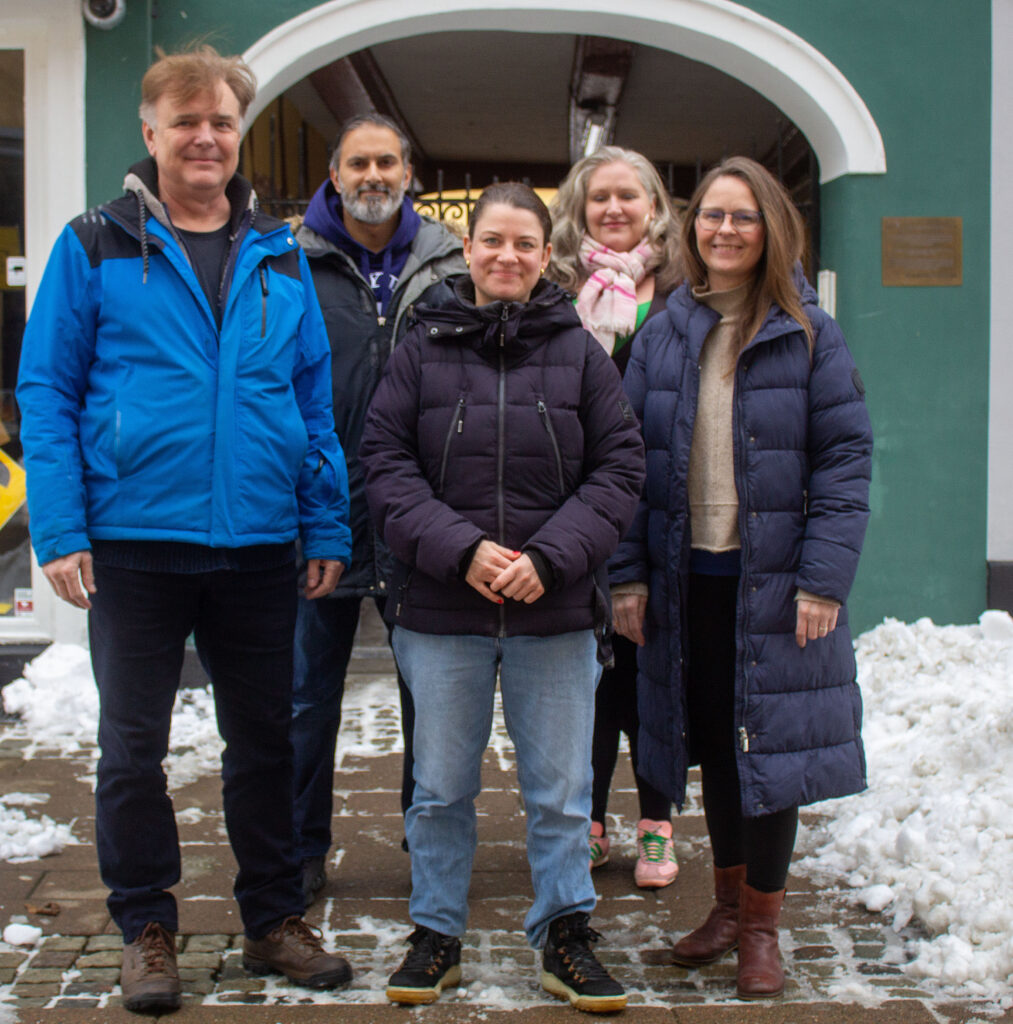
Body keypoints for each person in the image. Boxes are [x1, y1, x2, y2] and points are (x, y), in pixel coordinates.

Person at [16, 46, 354, 1014]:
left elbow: (309, 400)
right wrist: (61, 528)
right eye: (186, 121)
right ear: (151, 132)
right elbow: (46, 390)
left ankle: (273, 917)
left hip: (257, 543)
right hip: (134, 543)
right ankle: (145, 928)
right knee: (133, 749)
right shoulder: (93, 244)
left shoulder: (279, 253)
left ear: (238, 134)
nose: (205, 138)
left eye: (221, 122)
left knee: (266, 743)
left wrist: (325, 522)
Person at [360, 183, 645, 1012]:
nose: (507, 256)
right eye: (492, 240)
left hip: (552, 612)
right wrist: (461, 550)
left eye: (524, 243)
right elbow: (385, 464)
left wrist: (550, 559)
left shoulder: (579, 353)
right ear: (469, 249)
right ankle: (435, 933)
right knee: (440, 788)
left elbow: (619, 467)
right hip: (442, 610)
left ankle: (565, 934)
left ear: (545, 255)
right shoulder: (421, 347)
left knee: (559, 793)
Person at [610, 156, 873, 1000]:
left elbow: (844, 461)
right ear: (692, 228)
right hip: (685, 580)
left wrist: (822, 580)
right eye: (712, 215)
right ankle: (725, 911)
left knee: (769, 752)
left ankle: (760, 929)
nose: (724, 230)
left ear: (771, 230)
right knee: (716, 747)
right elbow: (624, 462)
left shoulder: (807, 332)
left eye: (743, 216)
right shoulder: (663, 332)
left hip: (774, 584)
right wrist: (626, 576)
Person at [291, 114, 465, 907]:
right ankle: (299, 852)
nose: (373, 175)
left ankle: (428, 844)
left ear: (407, 172)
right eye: (357, 162)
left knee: (431, 699)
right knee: (303, 699)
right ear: (334, 175)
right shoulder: (289, 262)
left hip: (418, 518)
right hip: (315, 515)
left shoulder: (448, 265)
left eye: (386, 161)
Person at [548, 145, 682, 889]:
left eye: (628, 195)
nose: (613, 208)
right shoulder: (557, 288)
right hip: (576, 504)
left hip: (663, 499)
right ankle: (590, 821)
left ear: (652, 206)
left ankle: (658, 824)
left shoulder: (683, 289)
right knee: (588, 675)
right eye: (599, 197)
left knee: (653, 668)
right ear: (579, 208)